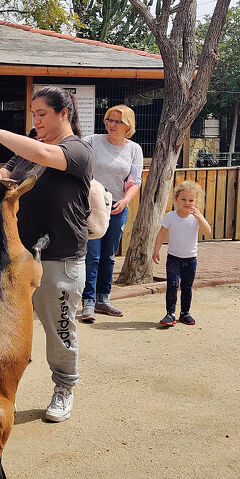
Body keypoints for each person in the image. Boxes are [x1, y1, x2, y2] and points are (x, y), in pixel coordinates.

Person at [0, 86, 93, 424]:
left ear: (63, 113)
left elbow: (42, 154)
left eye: (42, 114)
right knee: (4, 329)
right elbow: (0, 183)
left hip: (60, 256)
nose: (35, 120)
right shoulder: (27, 150)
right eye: (33, 114)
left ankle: (64, 388)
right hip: (18, 256)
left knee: (59, 329)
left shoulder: (77, 150)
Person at [81, 105, 144, 322]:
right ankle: (87, 301)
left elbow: (135, 180)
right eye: (109, 120)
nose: (112, 125)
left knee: (109, 256)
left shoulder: (134, 149)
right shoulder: (91, 141)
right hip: (92, 207)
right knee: (92, 255)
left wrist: (126, 200)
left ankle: (103, 298)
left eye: (118, 121)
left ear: (128, 126)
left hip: (117, 207)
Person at [153, 180, 212, 328]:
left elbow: (208, 232)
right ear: (176, 200)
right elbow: (161, 234)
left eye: (191, 200)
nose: (187, 203)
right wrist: (156, 250)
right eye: (183, 199)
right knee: (172, 285)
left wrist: (199, 217)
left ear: (196, 201)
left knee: (187, 287)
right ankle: (170, 314)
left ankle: (185, 313)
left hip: (190, 260)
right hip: (173, 258)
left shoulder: (196, 218)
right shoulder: (171, 216)